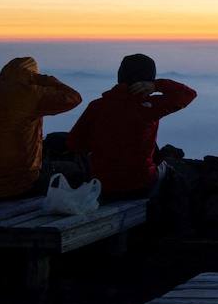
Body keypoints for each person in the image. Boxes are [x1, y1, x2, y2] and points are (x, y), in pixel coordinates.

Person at [66, 54, 196, 198]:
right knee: (169, 171)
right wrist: (156, 85)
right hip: (140, 184)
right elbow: (188, 94)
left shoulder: (97, 106)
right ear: (148, 79)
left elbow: (74, 142)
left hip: (102, 184)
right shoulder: (150, 107)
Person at [0, 57, 81, 199]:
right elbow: (73, 98)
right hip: (18, 183)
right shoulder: (29, 93)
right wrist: (43, 79)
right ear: (31, 74)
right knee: (75, 169)